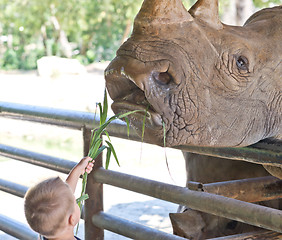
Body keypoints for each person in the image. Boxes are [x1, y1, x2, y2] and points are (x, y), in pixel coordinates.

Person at [24, 156, 94, 240]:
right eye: (74, 201)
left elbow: (64, 196)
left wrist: (78, 170)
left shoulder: (44, 234)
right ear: (72, 219)